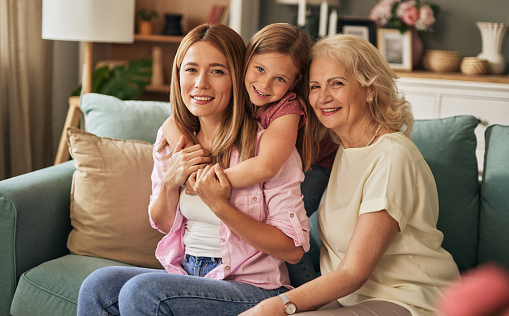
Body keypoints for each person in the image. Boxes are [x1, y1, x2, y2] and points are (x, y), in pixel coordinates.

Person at [77, 23, 310, 316]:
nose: (201, 83)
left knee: (145, 293)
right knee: (99, 285)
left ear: (237, 77)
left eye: (217, 71)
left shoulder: (268, 150)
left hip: (254, 289)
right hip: (188, 276)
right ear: (178, 76)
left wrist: (221, 206)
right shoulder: (172, 141)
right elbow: (163, 223)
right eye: (191, 70)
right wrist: (171, 182)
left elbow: (292, 249)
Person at [240, 34, 460, 316]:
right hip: (352, 298)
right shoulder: (342, 149)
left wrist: (276, 307)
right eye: (315, 86)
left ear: (370, 89)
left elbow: (355, 272)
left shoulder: (392, 156)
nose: (323, 97)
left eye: (337, 83)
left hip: (408, 299)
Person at [163, 23, 338, 217]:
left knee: (287, 228)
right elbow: (170, 124)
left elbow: (266, 165)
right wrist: (190, 157)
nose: (264, 84)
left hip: (317, 165)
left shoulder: (289, 109)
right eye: (260, 69)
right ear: (245, 62)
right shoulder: (238, 89)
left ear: (295, 81)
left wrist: (206, 181)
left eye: (279, 78)